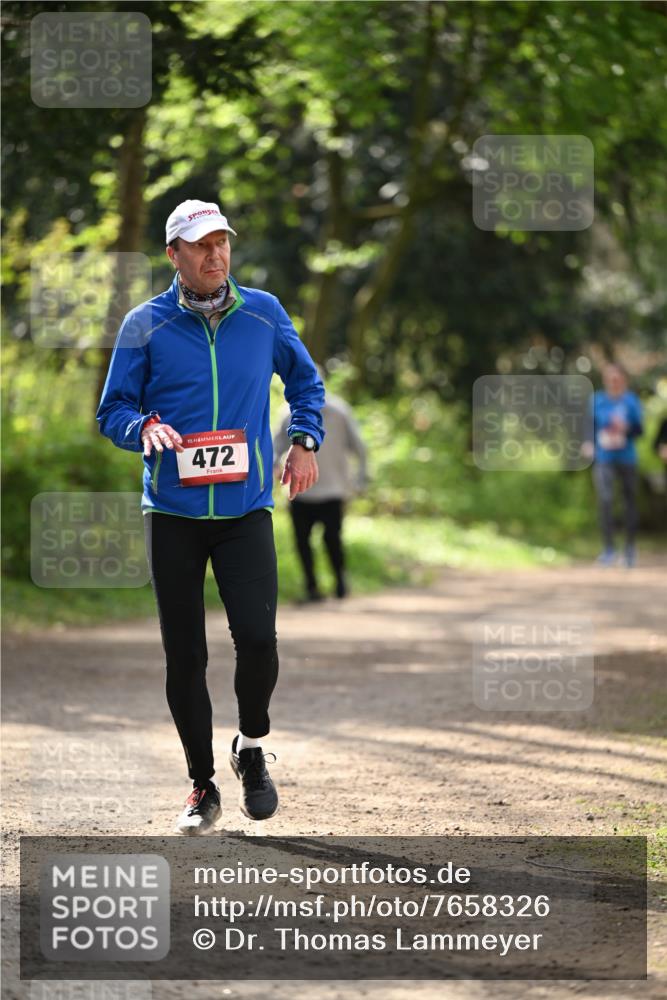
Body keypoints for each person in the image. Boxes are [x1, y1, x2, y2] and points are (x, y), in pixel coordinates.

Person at [97, 199, 324, 834]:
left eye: (221, 241)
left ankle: (251, 748)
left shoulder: (264, 312)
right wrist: (142, 428)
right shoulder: (145, 324)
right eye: (200, 245)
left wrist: (304, 440)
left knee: (258, 639)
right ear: (174, 255)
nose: (214, 253)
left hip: (245, 509)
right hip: (172, 512)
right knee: (185, 657)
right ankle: (202, 784)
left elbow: (306, 384)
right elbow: (113, 409)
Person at [273, 381, 367, 601]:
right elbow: (275, 447)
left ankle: (336, 583)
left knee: (327, 540)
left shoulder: (338, 411)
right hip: (302, 491)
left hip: (329, 490)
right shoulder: (289, 413)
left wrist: (359, 481)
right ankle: (314, 586)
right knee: (311, 541)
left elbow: (359, 448)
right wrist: (274, 467)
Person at [587, 363, 643, 567]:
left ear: (623, 380)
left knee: (629, 503)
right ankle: (608, 549)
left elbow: (640, 431)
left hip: (627, 458)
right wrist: (588, 444)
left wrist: (626, 428)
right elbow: (589, 427)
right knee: (605, 501)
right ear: (605, 380)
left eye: (617, 379)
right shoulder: (597, 400)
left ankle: (629, 549)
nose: (613, 382)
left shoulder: (631, 401)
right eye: (610, 379)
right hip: (604, 459)